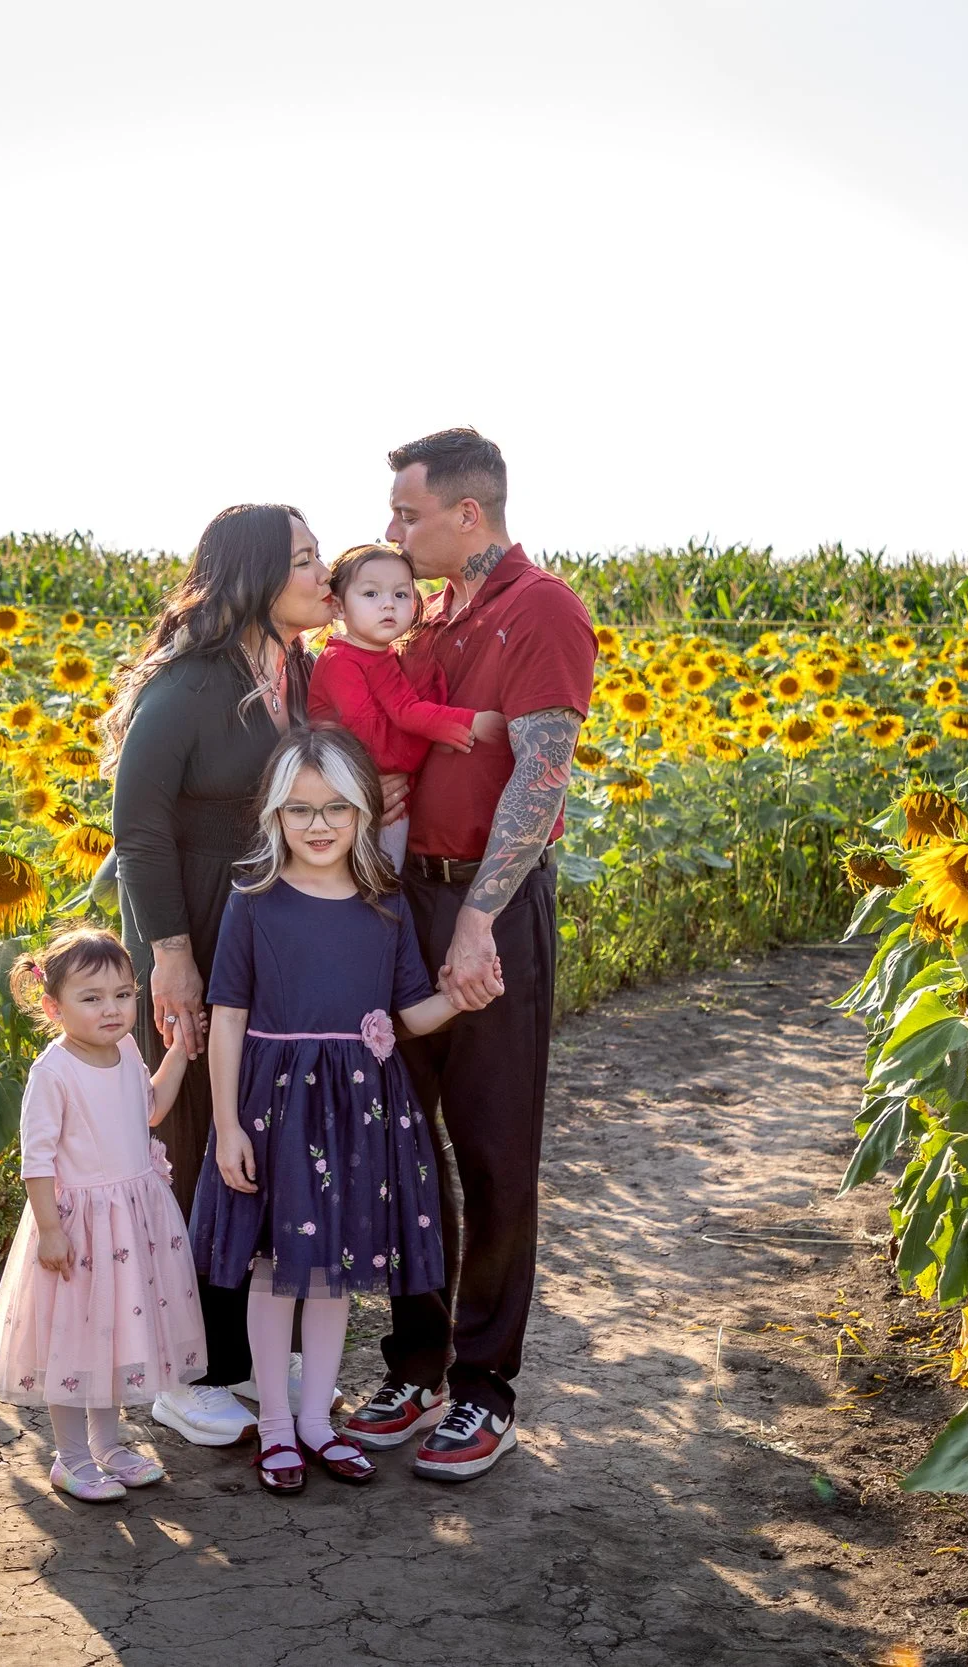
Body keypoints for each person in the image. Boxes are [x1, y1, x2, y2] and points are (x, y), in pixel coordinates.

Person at [344, 428, 597, 1482]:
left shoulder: (543, 608)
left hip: (488, 909)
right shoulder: (434, 613)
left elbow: (540, 777)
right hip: (405, 901)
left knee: (494, 1155)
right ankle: (416, 1361)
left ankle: (484, 1389)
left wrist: (480, 918)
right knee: (406, 1145)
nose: (393, 532)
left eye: (407, 514)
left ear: (467, 513)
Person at [106, 502, 336, 1447]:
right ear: (254, 575)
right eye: (307, 560)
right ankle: (177, 1368)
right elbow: (139, 821)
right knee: (193, 1140)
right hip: (192, 923)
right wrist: (170, 957)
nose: (325, 575)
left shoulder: (298, 673)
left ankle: (239, 1352)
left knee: (258, 1131)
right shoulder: (193, 682)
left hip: (267, 928)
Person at [188, 726, 462, 1492]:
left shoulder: (385, 906)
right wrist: (227, 1124)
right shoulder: (256, 905)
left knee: (333, 1273)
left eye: (336, 808)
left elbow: (409, 1011)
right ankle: (275, 1424)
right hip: (275, 1109)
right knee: (277, 1271)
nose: (318, 825)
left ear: (363, 814)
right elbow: (230, 1017)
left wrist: (460, 996)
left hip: (357, 1111)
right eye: (300, 809)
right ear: (275, 815)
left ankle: (317, 1422)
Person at [0, 927, 207, 1502]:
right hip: (78, 1226)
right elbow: (36, 1161)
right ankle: (71, 1456)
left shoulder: (127, 1049)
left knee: (114, 1335)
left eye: (123, 995)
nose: (112, 1009)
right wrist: (50, 1231)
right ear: (54, 1008)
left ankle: (108, 1446)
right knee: (76, 1338)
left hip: (132, 1221)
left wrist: (178, 1051)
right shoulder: (53, 1072)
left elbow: (150, 1108)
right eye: (92, 998)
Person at [306, 541, 505, 865]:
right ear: (339, 608)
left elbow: (403, 711)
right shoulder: (340, 661)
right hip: (346, 803)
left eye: (400, 594)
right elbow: (371, 740)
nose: (388, 605)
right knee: (366, 885)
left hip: (377, 801)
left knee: (388, 884)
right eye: (371, 594)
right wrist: (464, 724)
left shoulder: (381, 656)